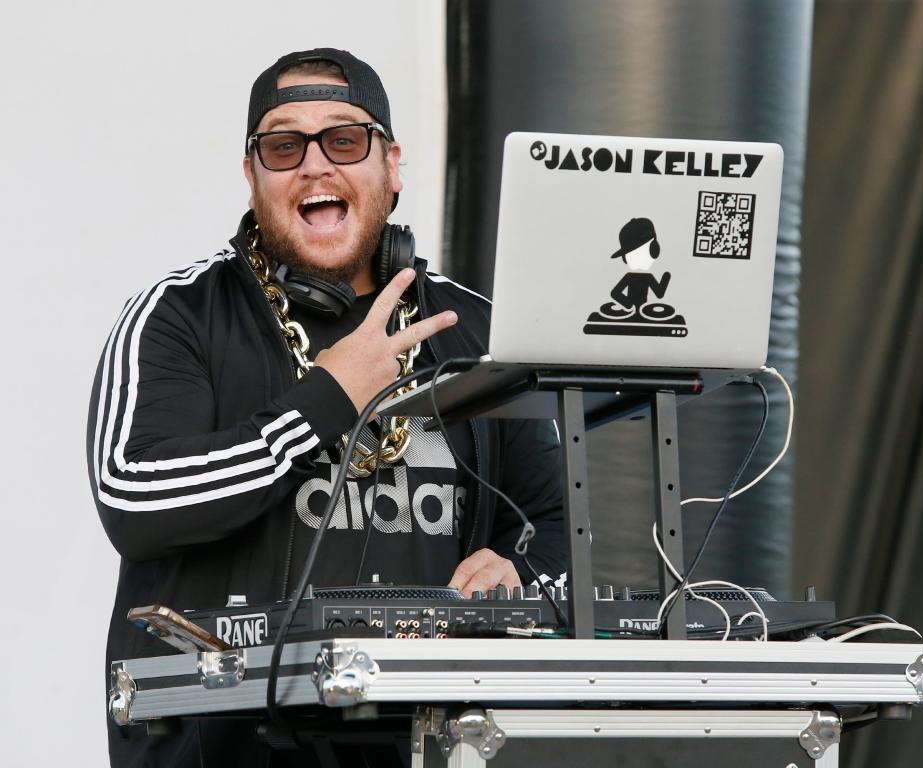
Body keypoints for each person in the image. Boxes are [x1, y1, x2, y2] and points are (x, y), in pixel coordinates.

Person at [86, 48, 565, 767]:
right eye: (284, 146)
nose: (315, 165)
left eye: (344, 140)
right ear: (253, 178)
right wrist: (326, 400)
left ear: (391, 165)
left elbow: (558, 529)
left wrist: (517, 575)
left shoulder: (477, 333)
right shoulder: (178, 316)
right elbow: (135, 496)